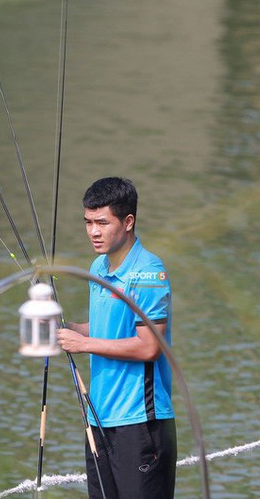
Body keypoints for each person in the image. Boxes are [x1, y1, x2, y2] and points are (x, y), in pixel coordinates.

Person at [56, 177, 176, 499]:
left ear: (128, 222)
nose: (93, 232)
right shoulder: (98, 266)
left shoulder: (150, 272)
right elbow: (107, 328)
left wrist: (84, 345)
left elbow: (149, 346)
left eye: (102, 223)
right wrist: (66, 328)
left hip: (141, 424)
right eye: (88, 222)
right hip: (99, 419)